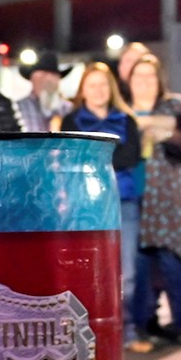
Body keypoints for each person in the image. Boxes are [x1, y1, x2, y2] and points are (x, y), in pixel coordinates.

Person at [64, 62, 146, 345]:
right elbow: (70, 161)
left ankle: (127, 329)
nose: (98, 91)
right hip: (84, 205)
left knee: (129, 272)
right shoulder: (71, 121)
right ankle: (88, 330)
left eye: (102, 85)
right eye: (91, 85)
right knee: (86, 269)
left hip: (124, 201)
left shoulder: (127, 120)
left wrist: (94, 161)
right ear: (82, 90)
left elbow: (131, 158)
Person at [124, 52, 181, 350]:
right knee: (138, 263)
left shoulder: (175, 106)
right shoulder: (123, 110)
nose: (144, 82)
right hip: (133, 195)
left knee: (172, 260)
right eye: (138, 77)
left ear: (160, 79)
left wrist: (164, 130)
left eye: (150, 76)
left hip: (168, 198)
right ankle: (142, 325)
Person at [12, 50, 70, 133]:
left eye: (53, 75)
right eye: (43, 74)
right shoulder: (16, 108)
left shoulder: (69, 109)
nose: (48, 79)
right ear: (32, 78)